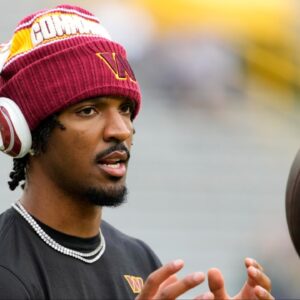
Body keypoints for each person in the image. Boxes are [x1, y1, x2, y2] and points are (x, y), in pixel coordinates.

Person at [0, 5, 273, 299]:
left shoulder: (139, 259)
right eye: (89, 110)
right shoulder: (6, 266)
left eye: (125, 109)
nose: (120, 130)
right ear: (26, 132)